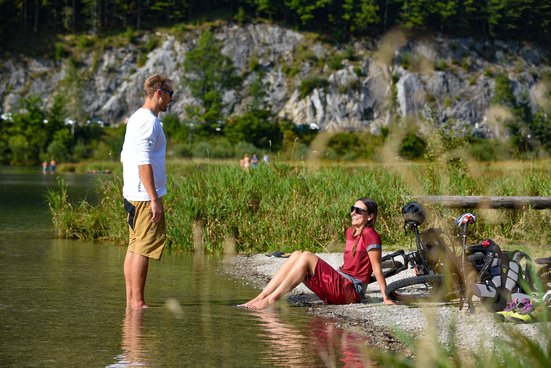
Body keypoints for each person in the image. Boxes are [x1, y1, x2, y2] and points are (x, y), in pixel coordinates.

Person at [240, 197, 395, 309]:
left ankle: (272, 300)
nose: (354, 213)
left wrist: (385, 296)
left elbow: (376, 268)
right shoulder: (351, 231)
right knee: (296, 254)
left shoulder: (371, 235)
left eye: (359, 210)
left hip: (352, 291)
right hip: (341, 283)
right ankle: (261, 296)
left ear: (371, 216)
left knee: (307, 255)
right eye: (352, 209)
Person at [120, 73, 173, 310]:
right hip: (143, 196)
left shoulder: (137, 118)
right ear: (159, 92)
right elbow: (143, 161)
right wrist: (154, 198)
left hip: (133, 193)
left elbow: (126, 156)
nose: (172, 99)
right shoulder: (149, 121)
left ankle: (132, 303)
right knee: (142, 248)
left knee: (134, 246)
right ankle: (138, 302)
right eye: (171, 94)